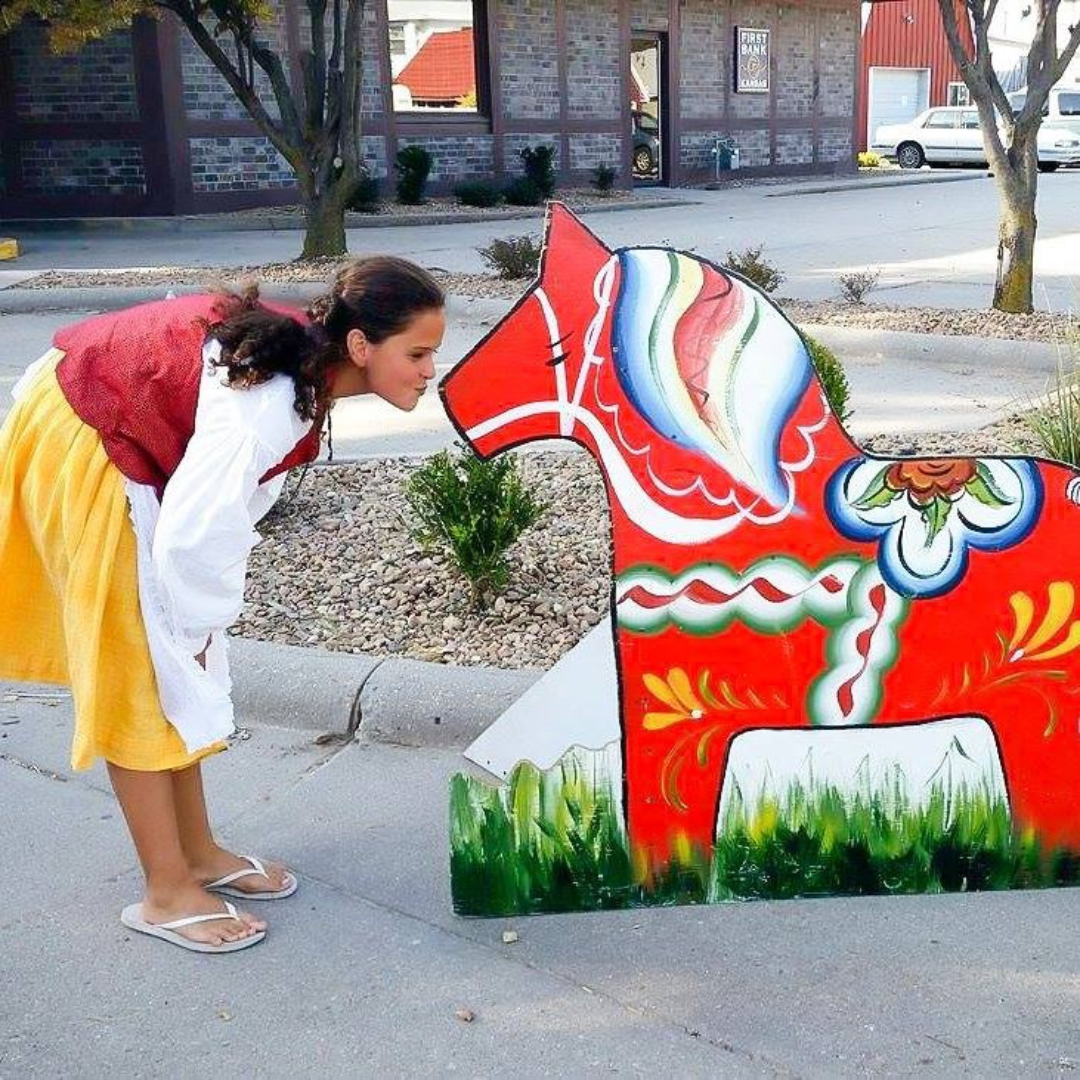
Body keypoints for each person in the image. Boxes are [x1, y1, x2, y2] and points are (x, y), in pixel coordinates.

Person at [0, 256, 445, 953]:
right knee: (142, 668)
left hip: (109, 417)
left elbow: (228, 500)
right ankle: (166, 890)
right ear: (360, 346)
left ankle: (198, 853)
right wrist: (196, 624)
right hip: (91, 428)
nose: (429, 371)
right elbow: (195, 531)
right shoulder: (268, 401)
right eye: (417, 354)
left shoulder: (307, 366)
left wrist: (196, 629)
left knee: (175, 664)